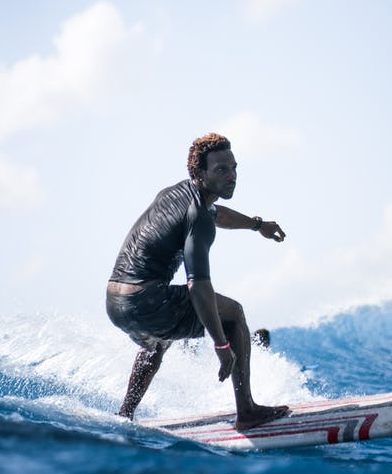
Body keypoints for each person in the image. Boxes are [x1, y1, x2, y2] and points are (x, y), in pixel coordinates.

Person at [106, 133, 289, 430]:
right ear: (200, 173)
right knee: (234, 313)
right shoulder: (198, 216)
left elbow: (220, 214)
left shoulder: (175, 193)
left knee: (157, 341)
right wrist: (220, 343)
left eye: (234, 168)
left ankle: (125, 413)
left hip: (116, 303)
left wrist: (258, 225)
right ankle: (248, 411)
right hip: (147, 302)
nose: (232, 177)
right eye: (221, 170)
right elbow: (198, 285)